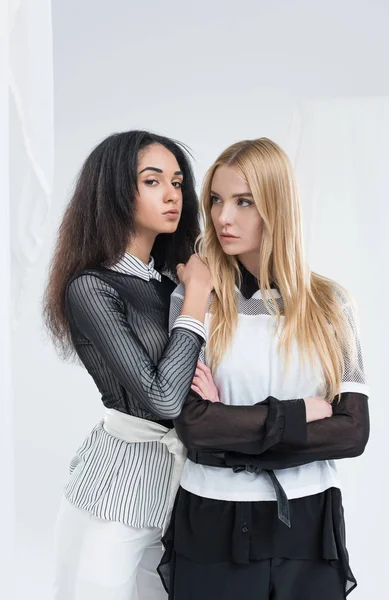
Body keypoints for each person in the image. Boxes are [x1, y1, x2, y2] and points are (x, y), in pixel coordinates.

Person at [160, 137, 370, 600]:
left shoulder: (329, 305)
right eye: (215, 200)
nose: (222, 217)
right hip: (213, 520)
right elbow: (195, 426)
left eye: (243, 202)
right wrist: (304, 412)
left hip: (307, 523)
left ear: (275, 207)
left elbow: (352, 433)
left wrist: (233, 433)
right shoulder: (195, 298)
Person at [43, 130, 212, 600]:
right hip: (114, 490)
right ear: (115, 190)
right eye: (153, 181)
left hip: (179, 488)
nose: (172, 194)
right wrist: (198, 296)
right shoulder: (93, 287)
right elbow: (162, 397)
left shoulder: (170, 286)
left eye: (177, 182)